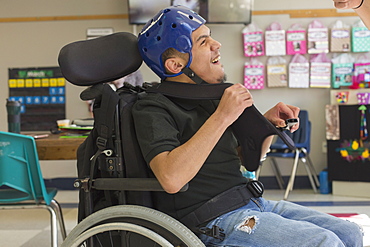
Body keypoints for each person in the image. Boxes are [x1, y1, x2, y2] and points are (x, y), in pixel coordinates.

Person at [132, 5, 363, 246]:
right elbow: (171, 178)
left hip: (251, 202)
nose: (216, 44)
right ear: (176, 66)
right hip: (212, 219)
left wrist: (266, 127)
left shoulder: (209, 97)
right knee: (324, 242)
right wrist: (222, 116)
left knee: (350, 233)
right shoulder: (152, 107)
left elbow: (242, 160)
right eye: (203, 42)